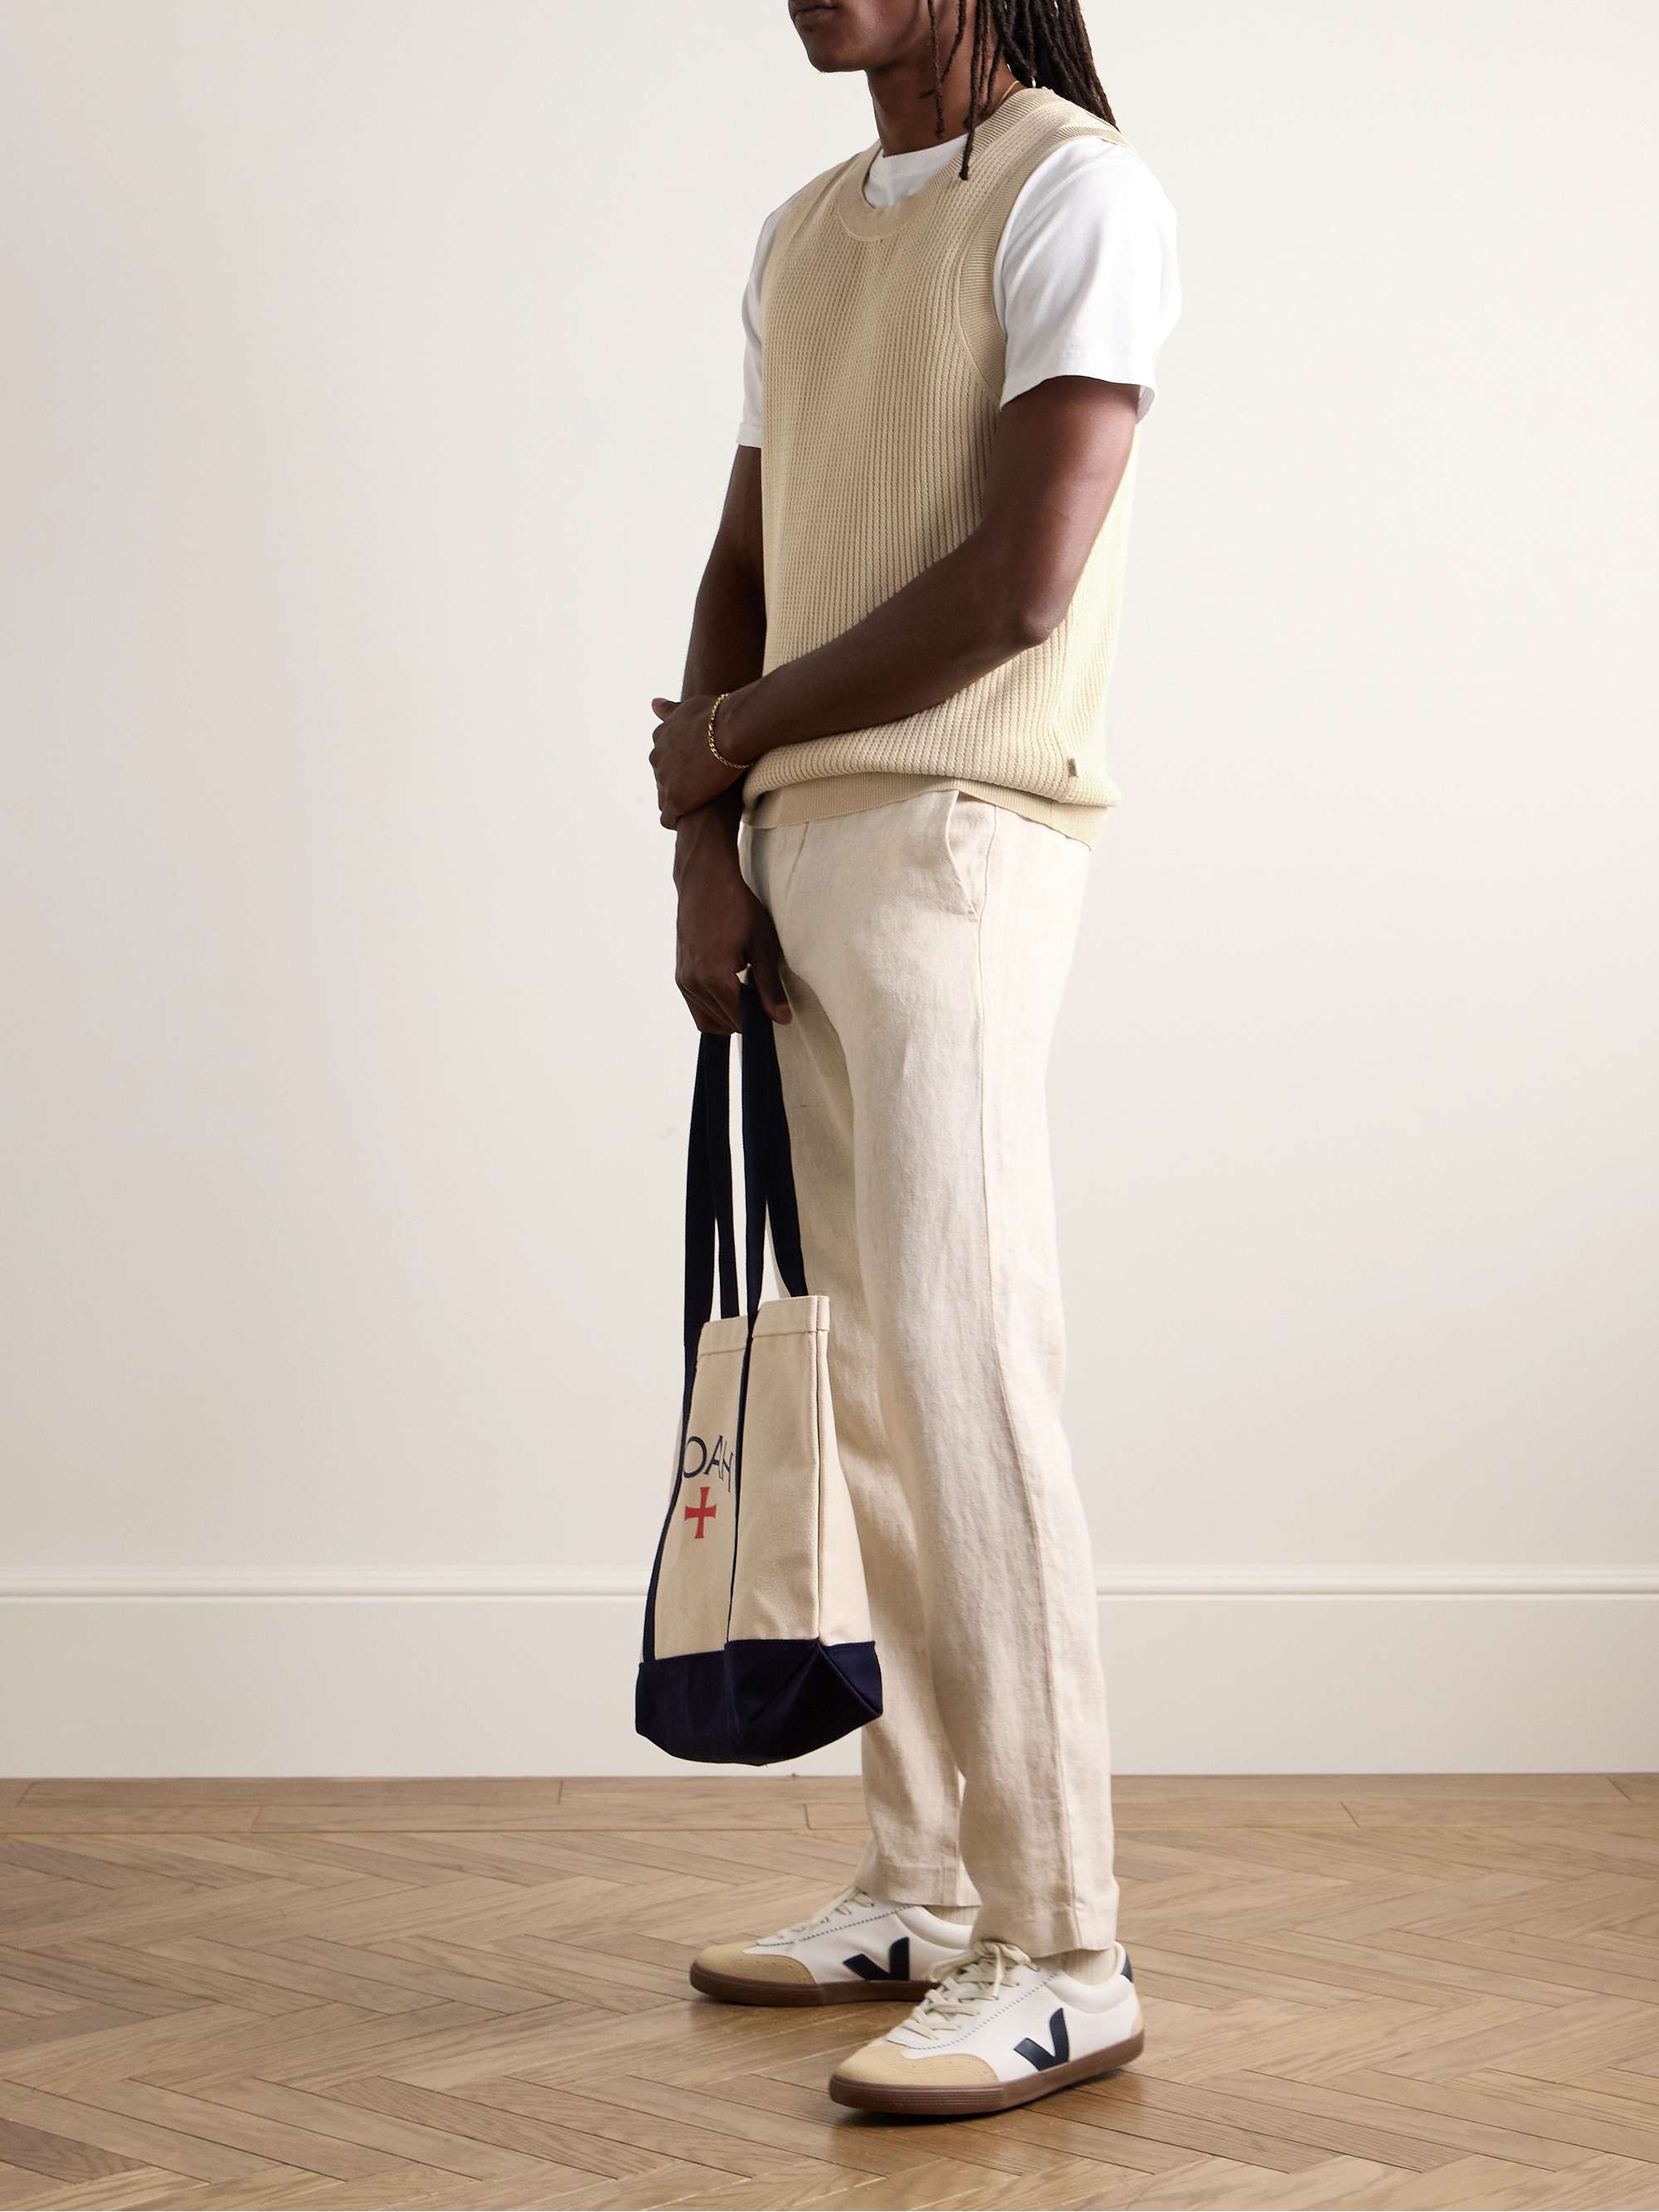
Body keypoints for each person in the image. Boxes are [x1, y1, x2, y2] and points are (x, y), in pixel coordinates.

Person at [649, 0, 1180, 2119]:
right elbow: (744, 567)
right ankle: (928, 1881)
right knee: (861, 1382)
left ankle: (1067, 1943)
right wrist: (706, 839)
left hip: (960, 837)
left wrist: (733, 739)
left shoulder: (1076, 193)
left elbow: (1019, 585)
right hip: (795, 852)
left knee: (965, 1373)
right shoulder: (801, 234)